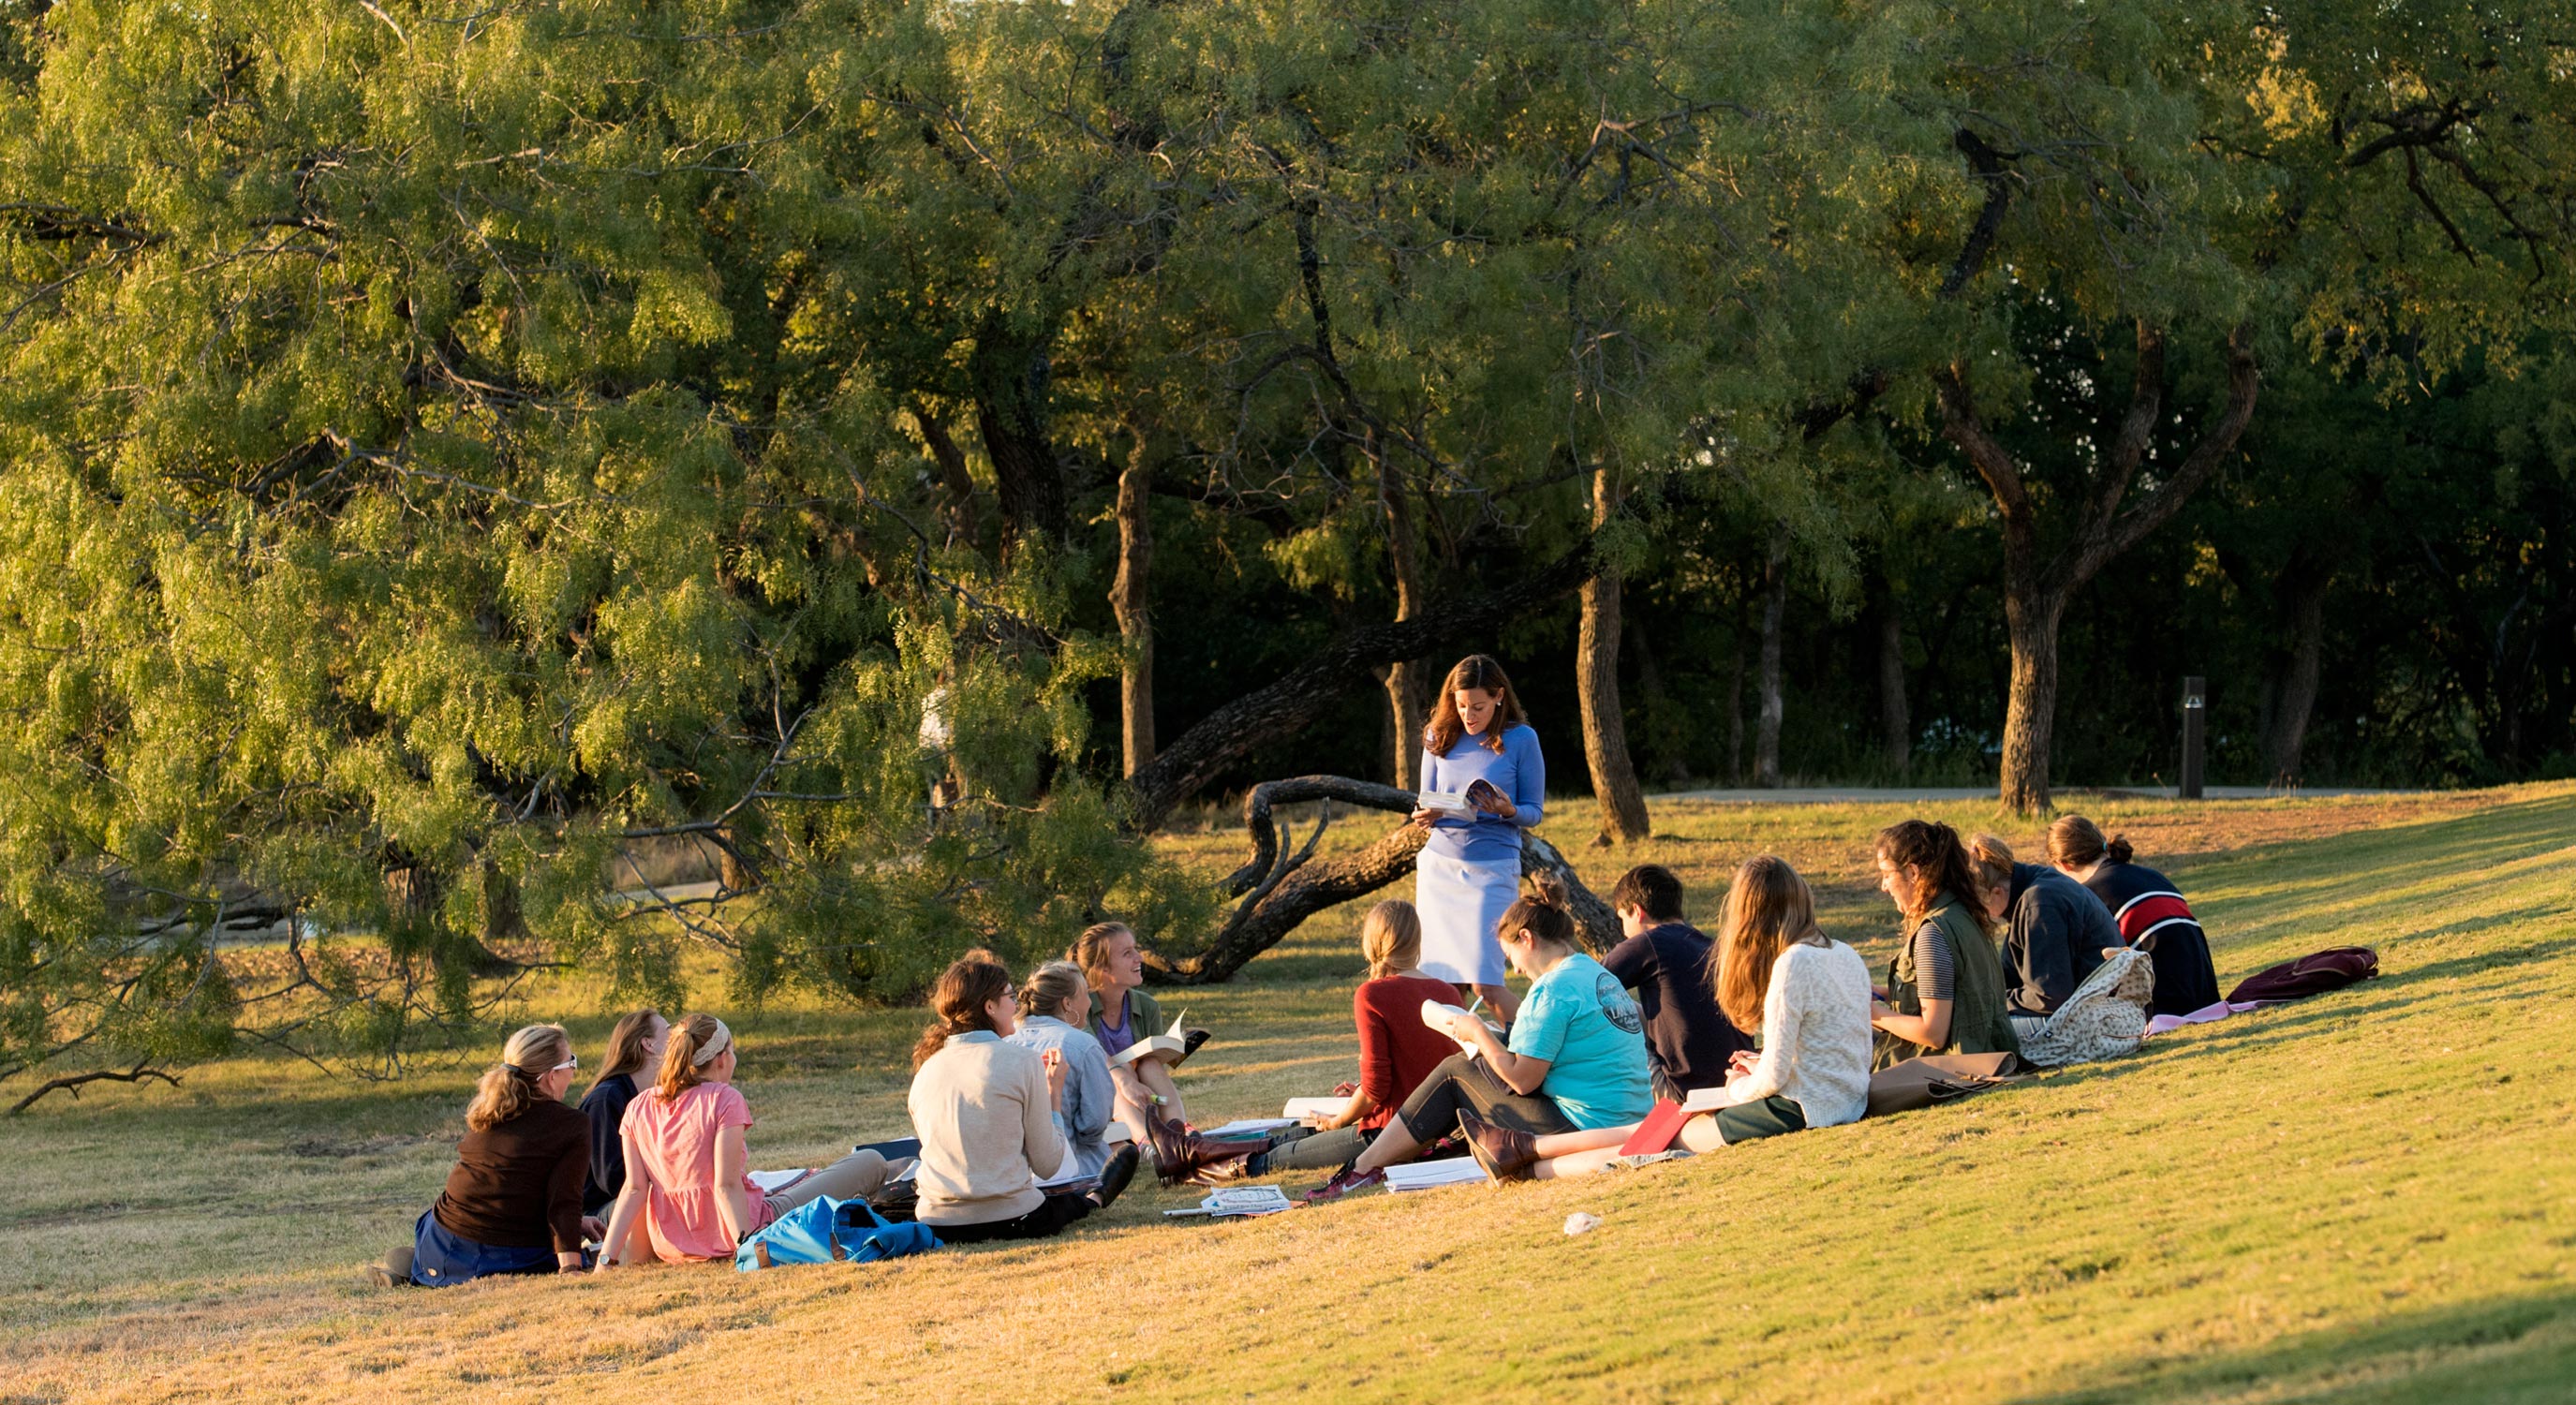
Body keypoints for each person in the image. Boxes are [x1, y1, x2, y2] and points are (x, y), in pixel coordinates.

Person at [1461, 857, 1873, 1180]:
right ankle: (1520, 1149)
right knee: (1659, 1128)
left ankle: (1528, 1164)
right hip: (1837, 1099)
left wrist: (1739, 1085)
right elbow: (1832, 1046)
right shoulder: (1843, 952)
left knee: (1660, 1137)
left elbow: (1775, 1079)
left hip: (1800, 1108)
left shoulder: (1790, 964)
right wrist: (1759, 1062)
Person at [1305, 878, 1649, 1201]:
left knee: (1454, 1071)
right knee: (1472, 1065)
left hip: (1585, 1125)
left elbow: (1524, 1080)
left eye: (1510, 956)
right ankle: (1395, 1158)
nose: (1515, 970)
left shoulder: (1552, 990)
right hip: (1624, 1114)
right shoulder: (1594, 972)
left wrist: (1479, 1033)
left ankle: (1362, 1169)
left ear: (1526, 938)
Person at [1154, 900, 1465, 1183]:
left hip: (1391, 1134)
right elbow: (1424, 1066)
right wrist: (1357, 1097)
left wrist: (1340, 1120)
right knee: (1296, 1135)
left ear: (1372, 942)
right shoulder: (1448, 992)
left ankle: (1185, 1168)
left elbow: (1376, 1091)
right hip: (1436, 1126)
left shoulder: (1373, 994)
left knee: (1280, 1155)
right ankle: (1184, 1150)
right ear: (1416, 940)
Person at [595, 1013, 900, 1267]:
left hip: (671, 1244)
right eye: (732, 1050)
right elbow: (725, 1185)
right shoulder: (723, 1098)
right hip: (740, 1229)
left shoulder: (640, 1106)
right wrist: (748, 1247)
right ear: (721, 1059)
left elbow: (634, 1189)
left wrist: (605, 1262)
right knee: (870, 1161)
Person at [909, 950, 1141, 1244]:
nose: (1017, 1005)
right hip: (1010, 1217)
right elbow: (1047, 1165)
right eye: (1010, 997)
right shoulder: (1022, 1060)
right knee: (1072, 1205)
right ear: (990, 1007)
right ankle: (1097, 1198)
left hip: (937, 1221)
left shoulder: (927, 1068)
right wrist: (1053, 1093)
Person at [372, 1024, 591, 1287]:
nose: (574, 1072)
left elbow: (505, 1186)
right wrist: (571, 1267)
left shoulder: (493, 1109)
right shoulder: (572, 1125)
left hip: (440, 1237)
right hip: (501, 1254)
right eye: (571, 1063)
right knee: (583, 1254)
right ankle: (429, 1272)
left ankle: (424, 1268)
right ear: (551, 1076)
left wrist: (576, 1223)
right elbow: (563, 1201)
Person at [1410, 654, 1546, 1022]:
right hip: (1440, 868)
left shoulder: (1522, 739)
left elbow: (1534, 811)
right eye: (1461, 705)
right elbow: (1426, 797)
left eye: (1478, 707)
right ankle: (1458, 1057)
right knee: (1443, 986)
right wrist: (1427, 813)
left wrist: (1509, 810)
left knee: (1486, 985)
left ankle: (1534, 1051)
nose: (1468, 715)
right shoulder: (1438, 734)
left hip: (1492, 868)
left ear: (1499, 696)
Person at [1867, 819, 2021, 1067]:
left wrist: (1872, 1013)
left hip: (1953, 1066)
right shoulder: (1963, 913)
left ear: (1912, 872)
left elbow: (1933, 1033)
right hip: (1985, 1052)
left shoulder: (1933, 933)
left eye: (1886, 874)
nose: (1884, 886)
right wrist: (1881, 993)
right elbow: (1954, 997)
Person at [1598, 864, 1753, 1097]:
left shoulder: (1648, 943)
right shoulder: (1711, 946)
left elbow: (1584, 984)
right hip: (1737, 1081)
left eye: (1622, 918)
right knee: (1628, 1009)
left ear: (1637, 911)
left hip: (1683, 1090)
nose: (1625, 932)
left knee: (1605, 1012)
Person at [2049, 816, 2223, 1017]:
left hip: (2161, 1007)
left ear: (2064, 865)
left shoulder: (2087, 897)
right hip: (2205, 998)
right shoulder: (2153, 875)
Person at [1967, 835, 2122, 1040]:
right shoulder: (2033, 889)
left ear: (1996, 893)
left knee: (1969, 1035)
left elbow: (2048, 997)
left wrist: (1994, 1003)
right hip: (2091, 1009)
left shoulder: (2040, 904)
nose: (1983, 914)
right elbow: (2011, 974)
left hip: (2093, 1019)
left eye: (1979, 906)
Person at [1074, 922, 1194, 1131]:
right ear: (1103, 967)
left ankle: (1179, 1131)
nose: (1140, 958)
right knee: (1123, 1069)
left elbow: (1155, 1070)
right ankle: (1146, 1142)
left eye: (1135, 949)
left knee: (1149, 1065)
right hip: (1097, 1101)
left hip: (1143, 1097)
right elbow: (1091, 1054)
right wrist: (1124, 1077)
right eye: (1127, 953)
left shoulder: (1147, 1005)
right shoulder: (1080, 1006)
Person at [1005, 961, 1118, 1180]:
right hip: (1071, 1170)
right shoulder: (1083, 1045)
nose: (1090, 1002)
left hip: (1012, 1173)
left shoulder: (1004, 1041)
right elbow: (1094, 1123)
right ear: (1067, 1003)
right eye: (1086, 994)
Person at [580, 1008, 666, 1218]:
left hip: (631, 1199)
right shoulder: (606, 1099)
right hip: (597, 1213)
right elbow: (613, 1179)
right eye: (670, 1032)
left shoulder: (655, 1098)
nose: (680, 1041)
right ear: (648, 1044)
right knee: (653, 1203)